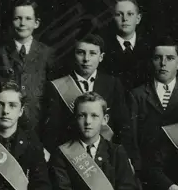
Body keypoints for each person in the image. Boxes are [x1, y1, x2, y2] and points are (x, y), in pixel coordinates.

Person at [42, 33, 135, 162]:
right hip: (71, 157)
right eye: (81, 53)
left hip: (106, 156)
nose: (86, 59)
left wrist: (126, 157)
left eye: (92, 53)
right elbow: (52, 129)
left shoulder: (112, 84)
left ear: (101, 57)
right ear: (74, 55)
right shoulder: (57, 86)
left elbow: (123, 125)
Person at [0, 0, 56, 137]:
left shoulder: (47, 53)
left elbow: (52, 96)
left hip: (38, 126)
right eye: (17, 18)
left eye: (28, 19)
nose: (22, 23)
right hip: (6, 126)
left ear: (36, 23)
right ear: (11, 22)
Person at [128, 37, 178, 172]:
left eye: (170, 58)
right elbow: (132, 136)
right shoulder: (138, 95)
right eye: (157, 58)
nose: (163, 63)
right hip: (146, 168)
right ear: (151, 62)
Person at [102, 0, 148, 91]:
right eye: (119, 14)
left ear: (138, 18)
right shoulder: (103, 47)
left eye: (130, 14)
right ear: (113, 18)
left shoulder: (149, 46)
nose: (125, 19)